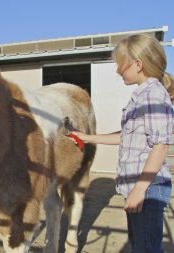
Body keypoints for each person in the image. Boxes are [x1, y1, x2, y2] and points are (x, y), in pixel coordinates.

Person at [72, 34, 174, 253]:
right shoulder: (143, 94)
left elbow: (161, 145)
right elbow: (127, 135)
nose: (118, 71)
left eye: (121, 64)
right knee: (142, 247)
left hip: (148, 188)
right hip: (141, 187)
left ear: (138, 64)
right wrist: (90, 137)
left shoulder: (153, 95)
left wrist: (140, 188)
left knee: (146, 249)